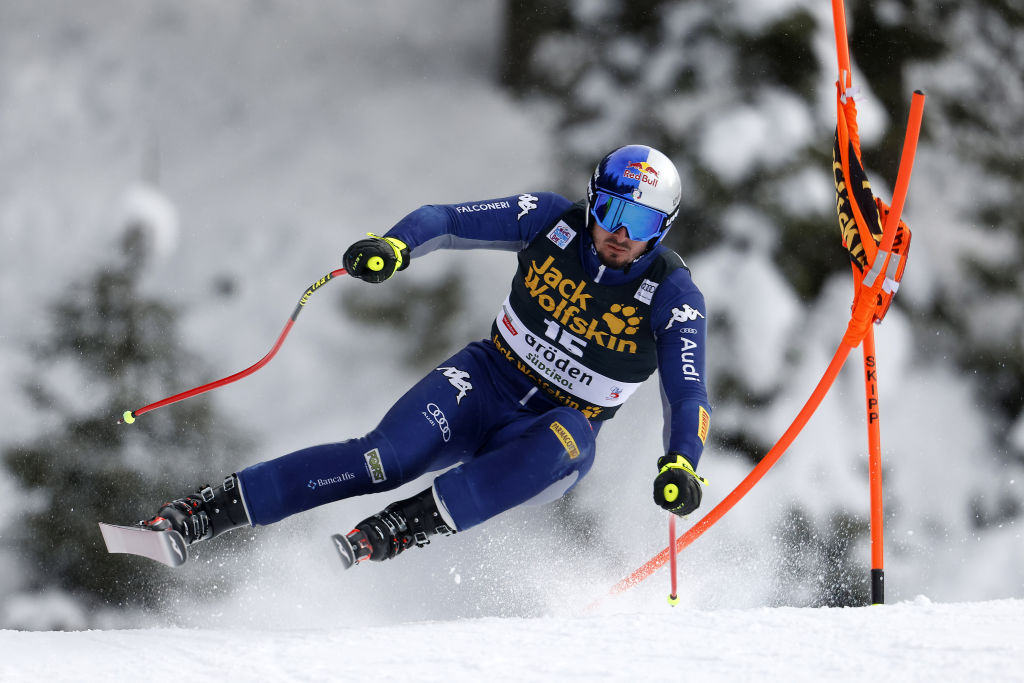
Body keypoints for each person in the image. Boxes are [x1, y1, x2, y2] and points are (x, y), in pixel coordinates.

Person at [137, 144, 712, 568]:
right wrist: (394, 246)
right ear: (591, 204)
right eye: (610, 212)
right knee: (380, 460)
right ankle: (200, 513)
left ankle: (409, 525)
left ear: (661, 230)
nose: (618, 233)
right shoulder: (550, 221)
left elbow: (687, 394)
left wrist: (681, 461)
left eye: (638, 223)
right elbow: (448, 220)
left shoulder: (673, 294)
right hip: (486, 380)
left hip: (555, 433)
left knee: (568, 433)